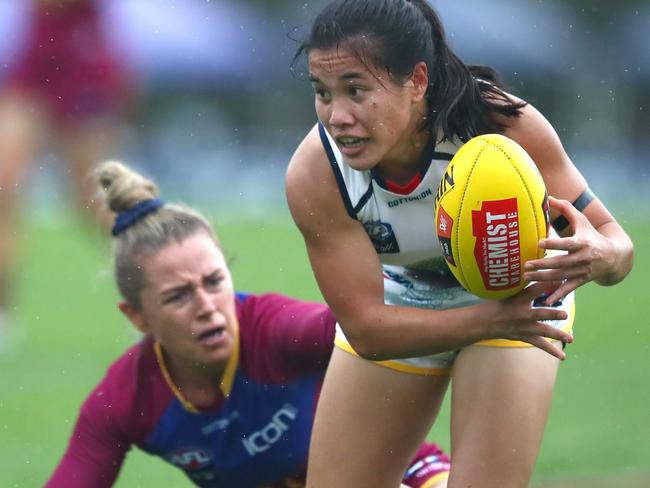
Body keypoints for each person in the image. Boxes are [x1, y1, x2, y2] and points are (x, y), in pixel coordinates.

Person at [284, 1, 634, 487]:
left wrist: (600, 257)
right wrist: (493, 322)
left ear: (418, 81)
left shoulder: (500, 124)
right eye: (323, 93)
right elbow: (368, 330)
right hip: (404, 301)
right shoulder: (316, 174)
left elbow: (619, 248)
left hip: (518, 299)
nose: (336, 116)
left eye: (357, 90)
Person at [45, 160, 451, 488]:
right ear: (137, 317)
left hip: (406, 474)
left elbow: (375, 326)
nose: (207, 307)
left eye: (214, 281)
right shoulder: (127, 396)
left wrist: (471, 302)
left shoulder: (274, 330)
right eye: (178, 296)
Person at [0, 0, 134, 345]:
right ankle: (2, 310)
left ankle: (152, 293)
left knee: (92, 202)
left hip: (80, 59)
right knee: (2, 187)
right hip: (36, 61)